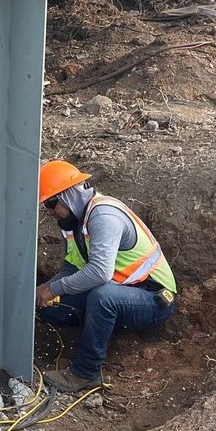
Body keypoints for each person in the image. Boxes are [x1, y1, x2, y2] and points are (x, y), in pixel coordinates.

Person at [35, 160, 177, 393]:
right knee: (54, 307)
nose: (50, 212)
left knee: (103, 297)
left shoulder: (103, 216)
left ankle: (85, 373)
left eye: (51, 203)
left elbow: (100, 272)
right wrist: (43, 289)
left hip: (153, 299)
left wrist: (53, 289)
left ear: (69, 196)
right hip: (121, 292)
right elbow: (72, 269)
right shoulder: (72, 223)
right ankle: (102, 330)